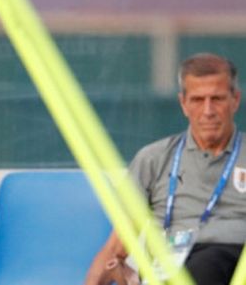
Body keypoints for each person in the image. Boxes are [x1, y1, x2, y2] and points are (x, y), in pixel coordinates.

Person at [85, 53, 246, 285]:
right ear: (183, 104)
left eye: (217, 99)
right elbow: (116, 248)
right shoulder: (154, 158)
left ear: (235, 100)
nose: (208, 111)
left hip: (232, 260)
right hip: (171, 265)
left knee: (208, 262)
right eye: (198, 100)